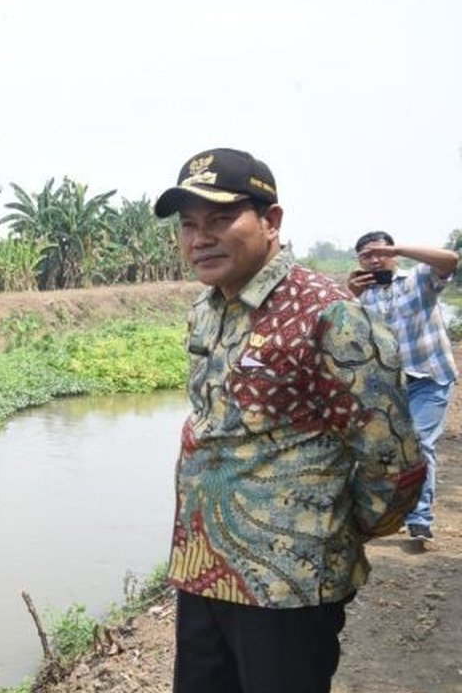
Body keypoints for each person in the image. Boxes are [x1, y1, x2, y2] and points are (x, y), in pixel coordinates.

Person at [153, 148, 423, 693]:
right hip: (202, 567)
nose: (200, 238)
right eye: (188, 225)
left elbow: (392, 461)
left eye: (220, 219)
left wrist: (327, 530)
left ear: (271, 222)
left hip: (289, 582)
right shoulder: (206, 311)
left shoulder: (331, 314)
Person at [347, 231, 458, 544]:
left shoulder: (418, 279)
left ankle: (420, 518)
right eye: (367, 255)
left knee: (421, 444)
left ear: (393, 253)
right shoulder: (362, 293)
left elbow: (451, 260)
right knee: (388, 450)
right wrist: (348, 295)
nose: (375, 259)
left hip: (429, 378)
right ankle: (386, 511)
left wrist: (400, 248)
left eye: (381, 252)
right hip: (387, 386)